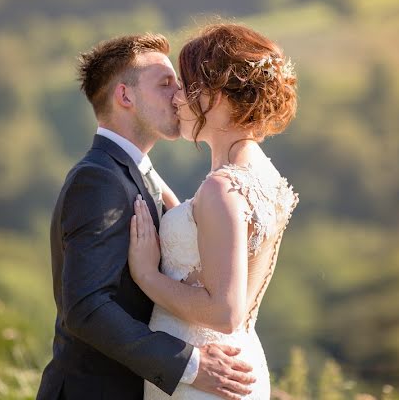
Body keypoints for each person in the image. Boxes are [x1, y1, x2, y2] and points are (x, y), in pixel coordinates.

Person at [36, 33, 256, 400]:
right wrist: (190, 364)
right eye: (165, 84)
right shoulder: (98, 179)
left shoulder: (135, 172)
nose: (180, 96)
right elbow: (86, 308)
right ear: (125, 97)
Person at [129, 23, 300, 400]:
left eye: (187, 86)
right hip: (238, 364)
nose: (176, 99)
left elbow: (225, 312)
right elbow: (211, 236)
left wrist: (145, 275)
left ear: (216, 95)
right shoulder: (262, 176)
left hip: (203, 377)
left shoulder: (221, 188)